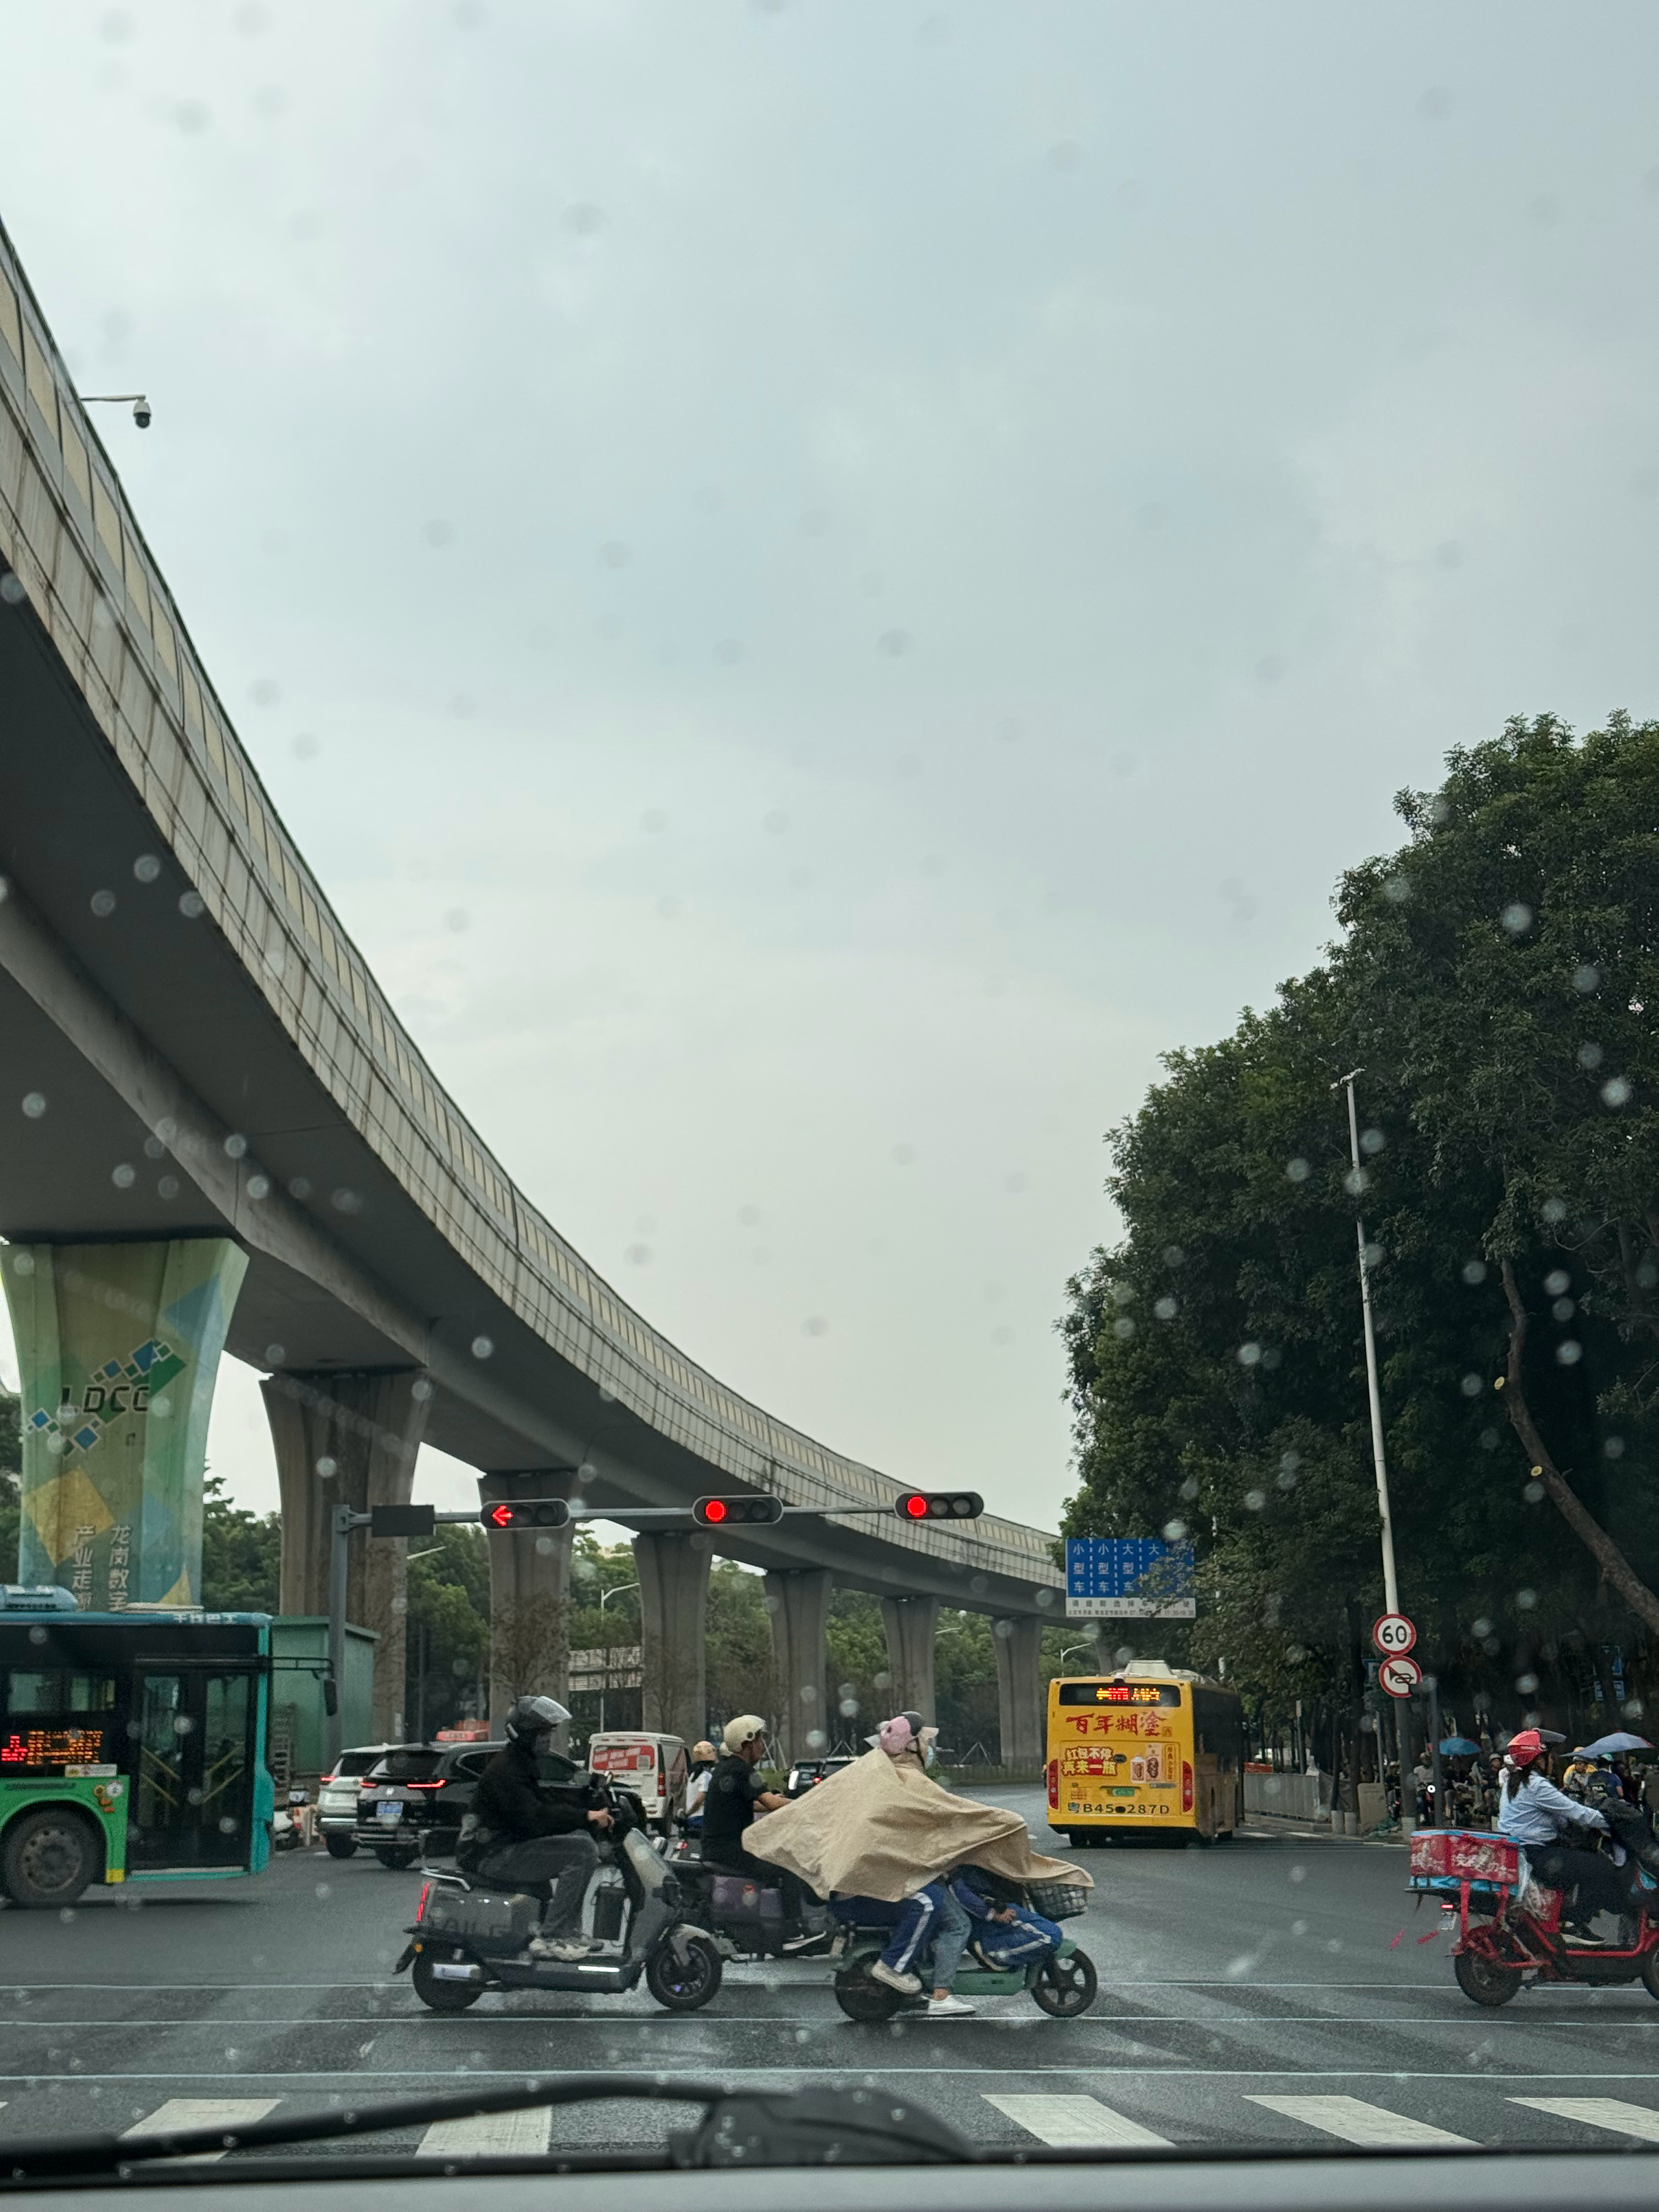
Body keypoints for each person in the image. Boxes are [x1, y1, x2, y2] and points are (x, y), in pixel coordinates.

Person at [456, 1694, 611, 1961]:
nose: (547, 1739)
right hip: (491, 1855)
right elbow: (535, 1818)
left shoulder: (520, 1763)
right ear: (524, 1735)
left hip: (503, 1847)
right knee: (581, 1851)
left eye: (549, 1732)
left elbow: (545, 1800)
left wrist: (585, 1801)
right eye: (542, 1733)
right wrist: (586, 1816)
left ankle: (569, 1931)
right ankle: (552, 1937)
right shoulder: (506, 1770)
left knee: (580, 1840)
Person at [701, 1715, 823, 1952]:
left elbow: (756, 1803)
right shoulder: (743, 1770)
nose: (762, 1746)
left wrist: (787, 1803)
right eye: (758, 1741)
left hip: (721, 1846)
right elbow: (768, 1802)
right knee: (789, 1866)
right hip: (731, 1849)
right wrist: (809, 1804)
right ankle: (792, 1932)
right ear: (746, 1743)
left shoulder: (727, 1768)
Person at [1495, 1727, 1624, 1941]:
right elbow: (1577, 1813)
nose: (1552, 1762)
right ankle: (1573, 1922)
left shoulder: (1513, 1783)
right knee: (1600, 1867)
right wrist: (1612, 1822)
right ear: (1537, 1760)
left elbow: (1559, 1817)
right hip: (1536, 1854)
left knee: (1577, 1857)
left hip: (1520, 1851)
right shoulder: (1536, 1785)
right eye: (1548, 1757)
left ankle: (1563, 1917)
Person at [951, 1869, 1065, 1972]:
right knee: (1050, 1936)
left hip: (1001, 1901)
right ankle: (990, 1950)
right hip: (988, 1913)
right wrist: (991, 1914)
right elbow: (957, 1888)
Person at [682, 1740, 717, 1832]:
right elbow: (700, 1799)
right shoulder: (706, 1776)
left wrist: (687, 1815)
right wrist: (689, 1812)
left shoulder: (693, 1775)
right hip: (701, 1819)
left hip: (692, 1819)